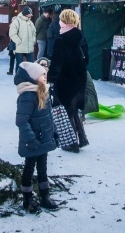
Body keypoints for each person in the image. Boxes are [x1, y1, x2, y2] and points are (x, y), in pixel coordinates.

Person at [15, 61, 58, 213]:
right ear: (33, 77)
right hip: (32, 141)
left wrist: (54, 132)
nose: (45, 76)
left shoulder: (43, 91)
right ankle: (27, 199)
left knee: (43, 168)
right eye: (42, 74)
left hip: (43, 139)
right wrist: (31, 140)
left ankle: (44, 196)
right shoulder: (27, 95)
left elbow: (49, 116)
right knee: (29, 168)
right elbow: (21, 120)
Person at [47, 9, 89, 151]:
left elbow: (57, 63)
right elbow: (87, 58)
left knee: (67, 110)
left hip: (66, 79)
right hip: (80, 78)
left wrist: (51, 78)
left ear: (64, 21)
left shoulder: (61, 40)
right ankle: (82, 138)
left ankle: (72, 143)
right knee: (75, 108)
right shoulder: (80, 36)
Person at [9, 6, 36, 73]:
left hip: (29, 48)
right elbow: (12, 33)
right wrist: (19, 42)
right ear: (26, 14)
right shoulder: (17, 21)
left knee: (31, 65)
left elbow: (34, 32)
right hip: (20, 48)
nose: (31, 16)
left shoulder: (30, 22)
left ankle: (31, 77)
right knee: (19, 64)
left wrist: (33, 41)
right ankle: (18, 78)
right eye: (29, 14)